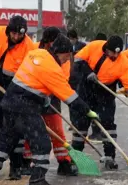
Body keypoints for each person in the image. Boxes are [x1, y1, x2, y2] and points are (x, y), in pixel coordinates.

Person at [0, 34, 99, 185]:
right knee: (42, 144)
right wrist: (87, 110)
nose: (68, 60)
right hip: (25, 107)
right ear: (59, 51)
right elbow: (69, 96)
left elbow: (33, 79)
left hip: (10, 102)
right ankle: (37, 179)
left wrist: (43, 99)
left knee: (6, 141)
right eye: (67, 56)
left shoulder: (37, 53)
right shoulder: (52, 69)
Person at [71, 36, 128, 169]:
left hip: (106, 91)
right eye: (112, 52)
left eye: (118, 53)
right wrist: (88, 72)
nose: (115, 55)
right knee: (81, 123)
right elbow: (78, 60)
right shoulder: (94, 46)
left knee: (108, 123)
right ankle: (75, 157)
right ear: (106, 49)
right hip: (87, 88)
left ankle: (110, 156)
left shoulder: (123, 63)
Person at [0, 15, 36, 180]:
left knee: (15, 129)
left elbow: (32, 75)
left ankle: (16, 166)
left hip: (16, 90)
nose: (16, 37)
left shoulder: (29, 48)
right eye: (13, 34)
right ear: (8, 30)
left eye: (20, 35)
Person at [22, 27, 78, 176]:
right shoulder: (33, 50)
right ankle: (27, 160)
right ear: (46, 42)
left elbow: (62, 79)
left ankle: (63, 161)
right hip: (33, 96)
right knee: (31, 130)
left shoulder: (62, 55)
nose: (55, 45)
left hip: (52, 96)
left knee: (57, 130)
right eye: (53, 42)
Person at [86, 32, 108, 143]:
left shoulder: (91, 46)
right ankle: (104, 132)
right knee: (104, 109)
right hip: (105, 85)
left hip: (92, 83)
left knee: (93, 109)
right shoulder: (108, 48)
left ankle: (96, 133)